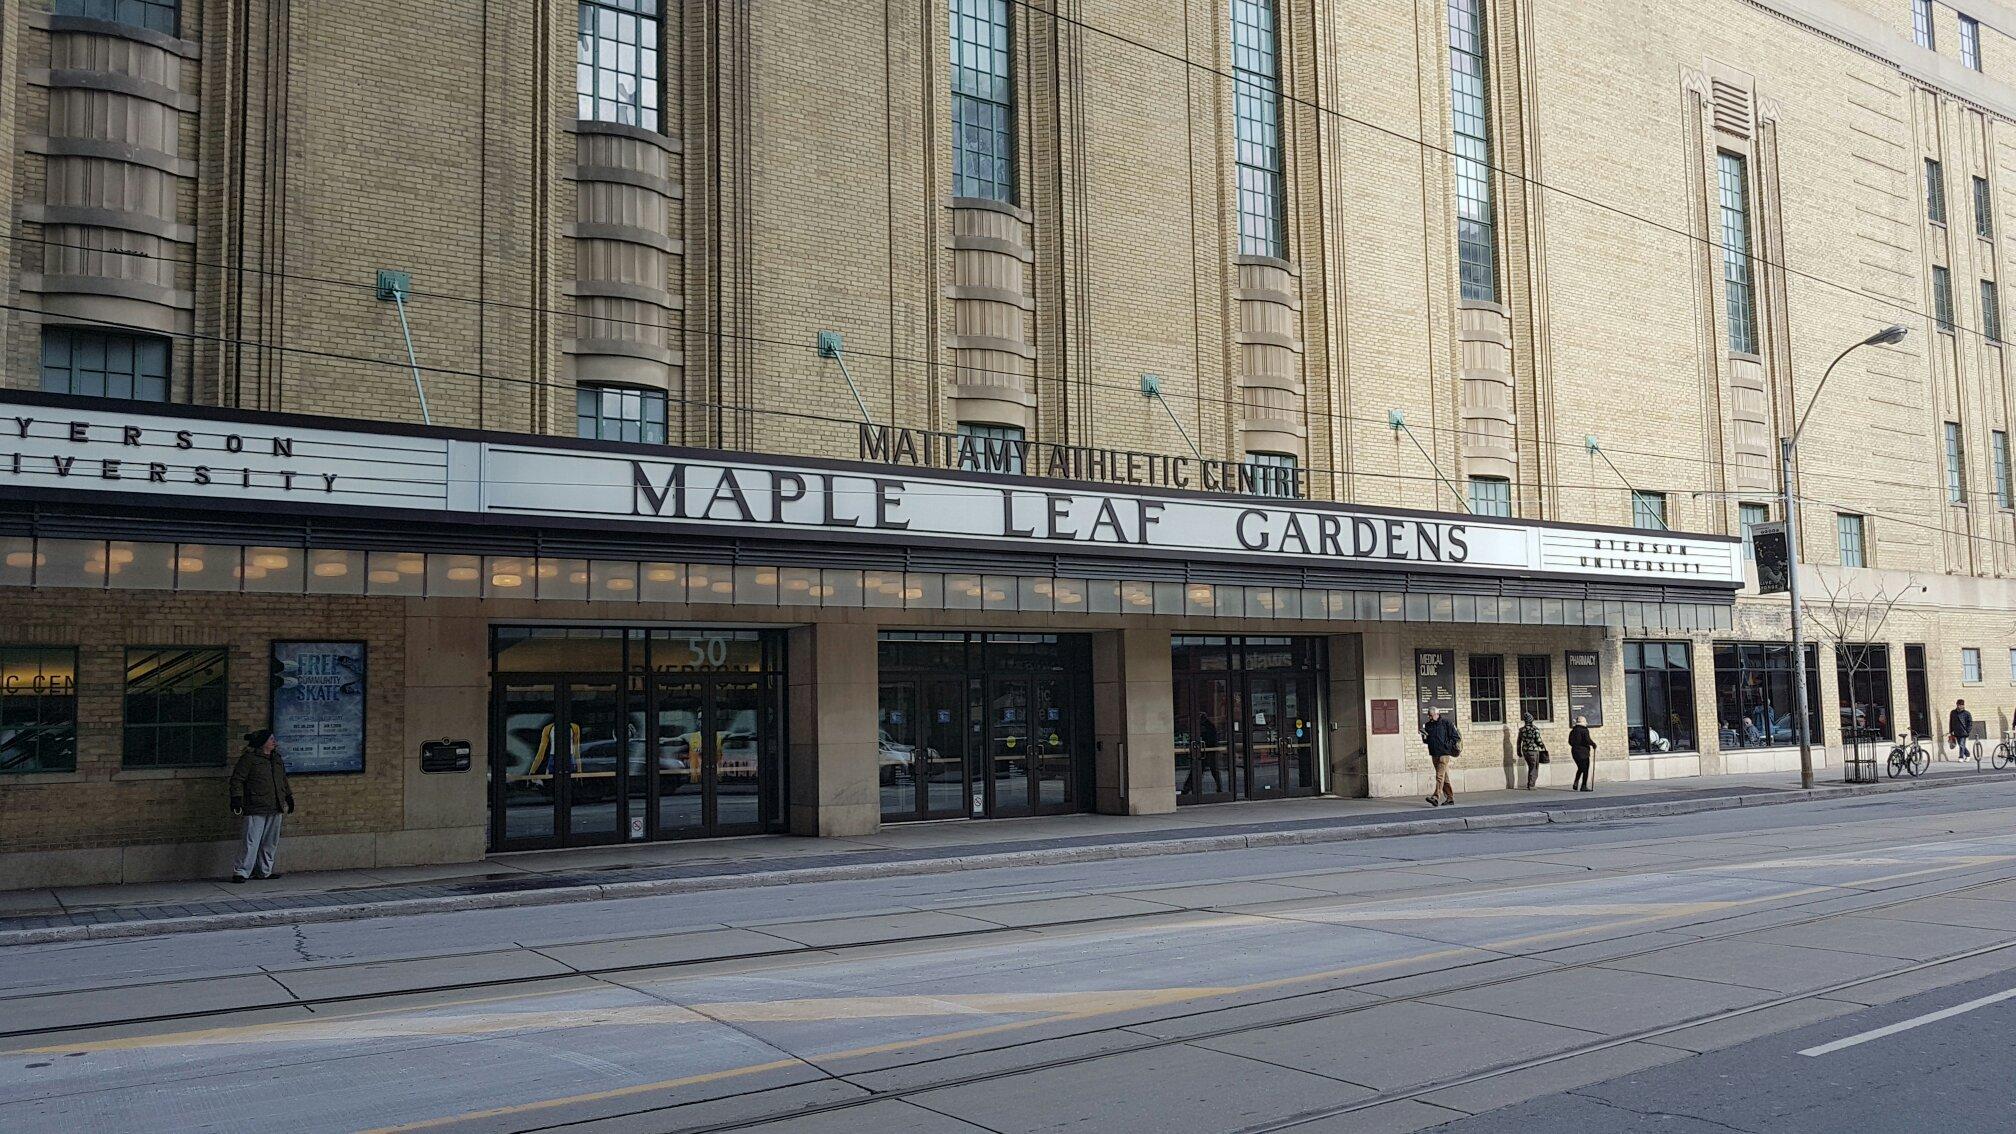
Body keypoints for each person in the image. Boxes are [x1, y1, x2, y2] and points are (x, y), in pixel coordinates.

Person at [229, 728, 294, 883]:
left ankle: (264, 870)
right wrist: (236, 798)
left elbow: (282, 780)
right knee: (251, 840)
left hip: (275, 804)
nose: (274, 742)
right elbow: (237, 779)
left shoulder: (276, 759)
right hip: (256, 804)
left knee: (270, 841)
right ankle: (242, 871)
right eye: (271, 739)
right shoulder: (249, 759)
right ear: (263, 742)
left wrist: (288, 796)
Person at [1421, 707, 1461, 807]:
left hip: (1444, 754)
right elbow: (1427, 741)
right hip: (1434, 753)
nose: (1429, 717)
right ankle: (1450, 798)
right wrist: (1424, 736)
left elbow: (1456, 737)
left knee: (1439, 776)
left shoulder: (1446, 723)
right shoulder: (1428, 725)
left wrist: (1446, 745)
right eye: (1429, 715)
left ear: (1437, 714)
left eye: (1431, 715)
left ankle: (1435, 797)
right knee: (1444, 777)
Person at [1516, 712, 1546, 790]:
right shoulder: (1535, 729)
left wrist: (1518, 751)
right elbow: (1538, 740)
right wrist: (1543, 746)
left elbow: (1519, 742)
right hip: (1533, 750)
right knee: (1534, 767)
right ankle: (1531, 784)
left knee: (1530, 766)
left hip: (1525, 750)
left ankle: (1530, 783)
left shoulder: (1521, 730)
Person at [1568, 715, 1596, 791]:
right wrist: (1593, 744)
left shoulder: (1573, 731)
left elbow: (1570, 742)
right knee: (1585, 769)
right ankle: (1583, 786)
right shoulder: (1584, 730)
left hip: (1574, 752)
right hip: (1583, 753)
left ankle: (1576, 782)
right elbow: (1587, 740)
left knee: (1580, 768)